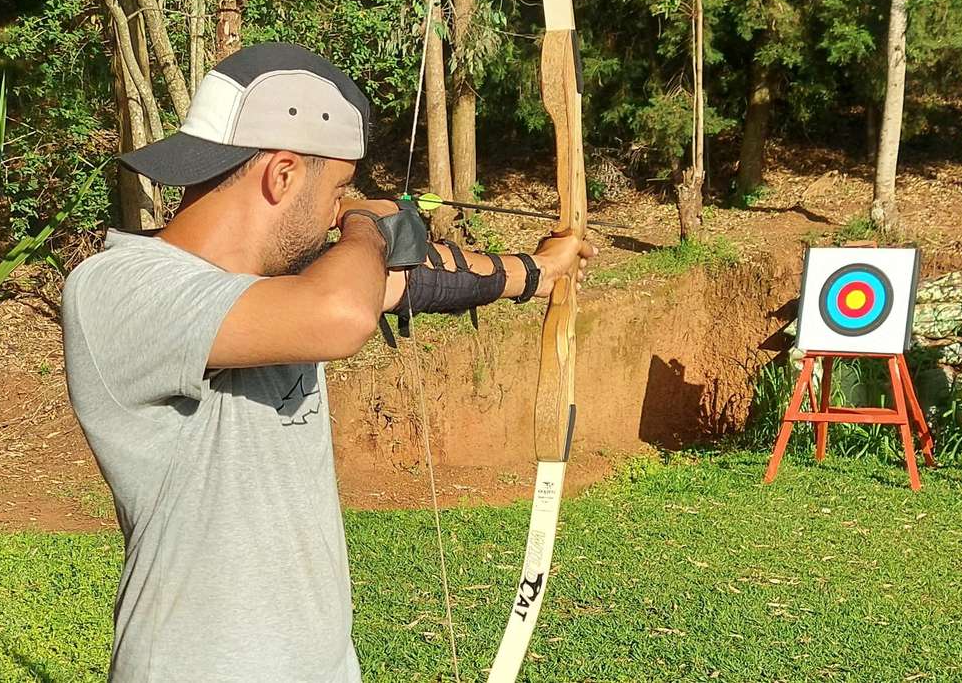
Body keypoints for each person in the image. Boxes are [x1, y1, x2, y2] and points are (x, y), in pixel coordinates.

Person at [61, 42, 593, 683]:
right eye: (339, 188)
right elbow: (343, 312)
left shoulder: (276, 289)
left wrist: (537, 272)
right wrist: (367, 226)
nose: (340, 208)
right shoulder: (119, 285)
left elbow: (411, 284)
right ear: (281, 174)